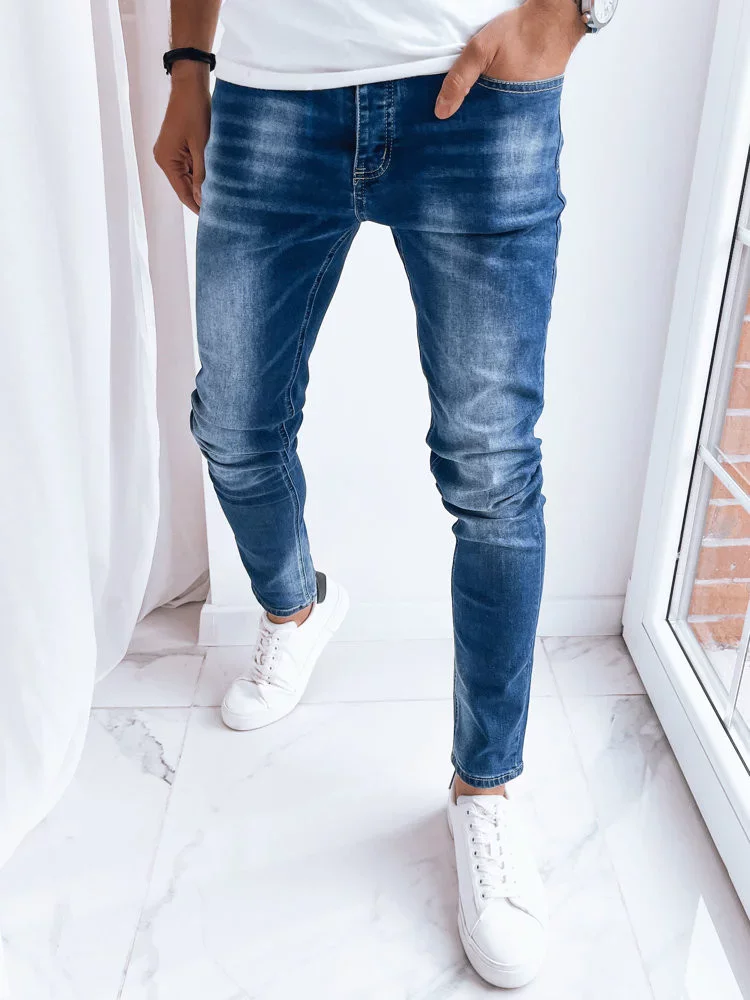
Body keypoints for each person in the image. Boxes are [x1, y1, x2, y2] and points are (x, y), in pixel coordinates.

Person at [154, 0, 616, 987]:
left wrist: (572, 15)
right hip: (271, 96)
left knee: (492, 470)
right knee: (232, 424)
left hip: (475, 89)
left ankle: (485, 789)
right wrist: (190, 62)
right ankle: (297, 607)